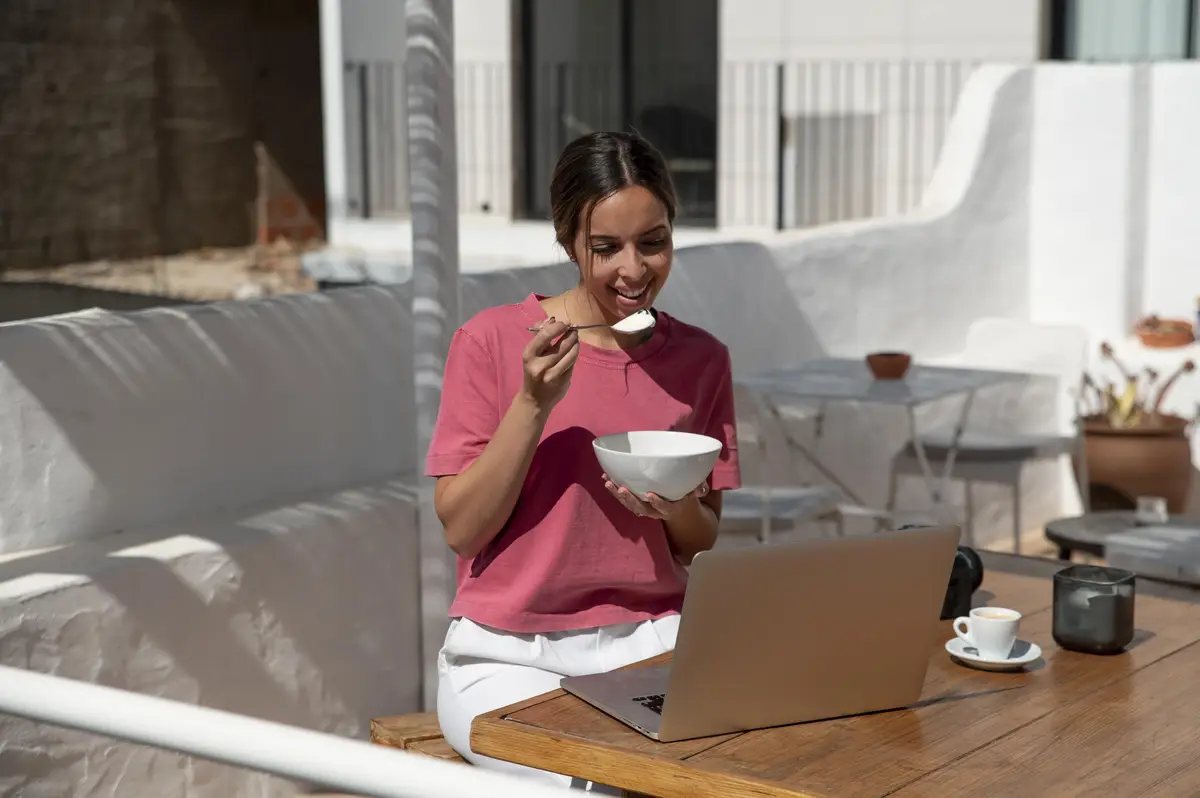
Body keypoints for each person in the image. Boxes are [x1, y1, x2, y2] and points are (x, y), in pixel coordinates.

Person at [426, 131, 741, 790]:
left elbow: (702, 544)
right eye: (606, 248)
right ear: (569, 242)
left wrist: (677, 508)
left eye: (653, 242)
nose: (634, 269)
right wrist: (533, 403)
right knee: (592, 786)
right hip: (510, 652)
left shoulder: (702, 360)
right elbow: (462, 529)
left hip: (658, 643)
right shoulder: (490, 342)